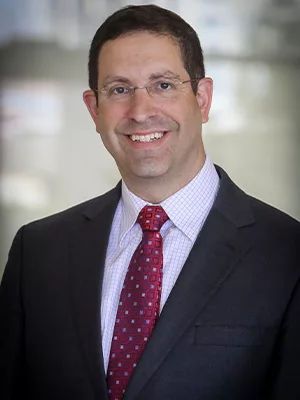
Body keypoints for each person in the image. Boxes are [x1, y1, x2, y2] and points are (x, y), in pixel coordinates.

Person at [0, 4, 299, 400]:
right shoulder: (37, 251)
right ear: (94, 109)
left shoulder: (287, 254)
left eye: (163, 85)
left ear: (203, 98)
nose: (141, 112)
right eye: (119, 89)